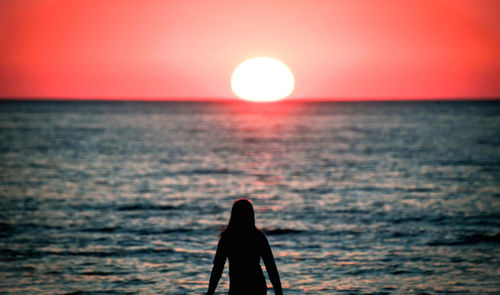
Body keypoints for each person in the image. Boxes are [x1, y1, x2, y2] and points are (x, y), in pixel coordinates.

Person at [206, 198, 283, 295]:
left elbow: (217, 268)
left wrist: (210, 292)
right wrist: (279, 292)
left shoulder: (227, 237)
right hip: (257, 287)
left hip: (237, 287)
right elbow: (271, 267)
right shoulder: (258, 236)